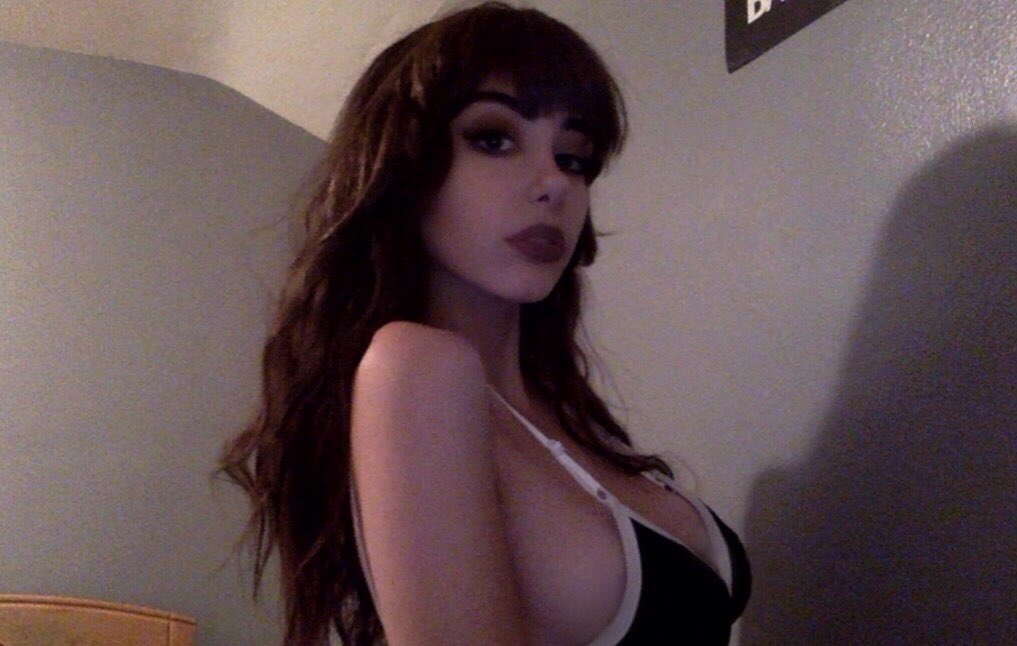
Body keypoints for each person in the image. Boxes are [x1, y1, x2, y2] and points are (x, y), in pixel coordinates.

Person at [218, 2, 750, 644]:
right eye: (494, 139)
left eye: (574, 156)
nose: (553, 183)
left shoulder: (559, 407)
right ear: (403, 169)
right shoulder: (418, 366)